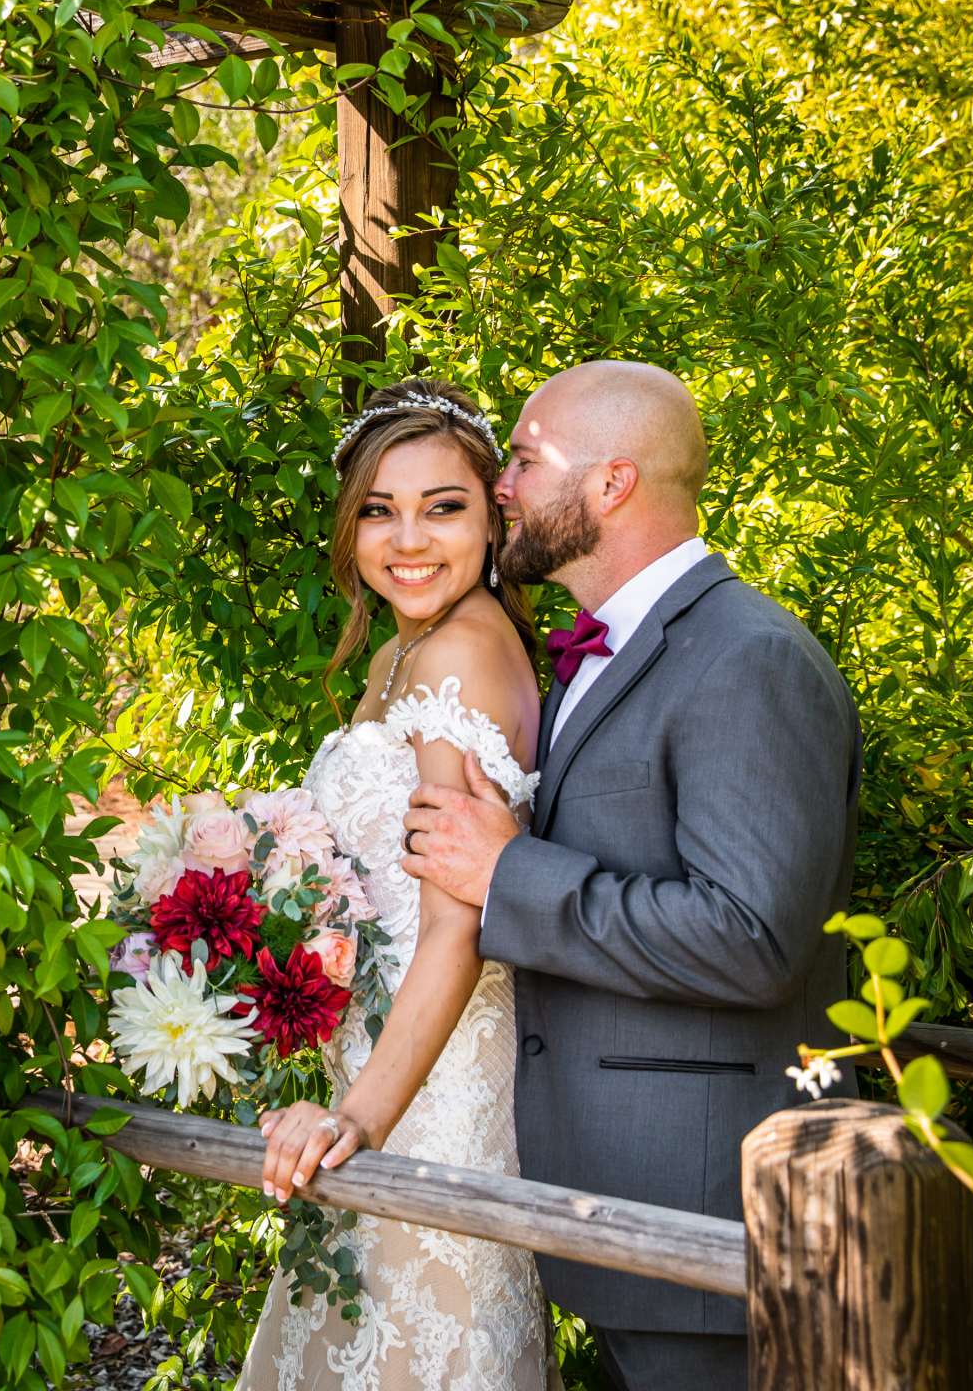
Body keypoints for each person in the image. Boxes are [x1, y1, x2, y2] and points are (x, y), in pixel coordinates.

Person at [399, 360, 862, 1391]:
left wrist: (512, 871)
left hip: (710, 1216)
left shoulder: (747, 659)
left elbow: (753, 938)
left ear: (611, 484)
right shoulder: (602, 652)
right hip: (614, 1208)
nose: (502, 484)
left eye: (522, 458)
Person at [239, 376, 551, 1390]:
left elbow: (456, 928)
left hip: (434, 1097)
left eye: (442, 507)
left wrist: (358, 1118)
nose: (406, 538)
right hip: (377, 1063)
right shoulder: (399, 651)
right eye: (380, 509)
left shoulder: (459, 652)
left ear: (494, 521)